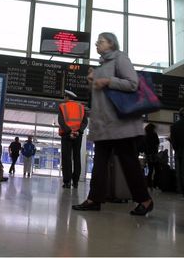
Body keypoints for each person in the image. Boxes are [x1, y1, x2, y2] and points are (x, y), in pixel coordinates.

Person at [72, 32, 153, 216]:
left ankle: (145, 200)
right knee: (99, 161)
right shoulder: (101, 66)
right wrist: (93, 80)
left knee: (128, 161)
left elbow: (133, 83)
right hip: (104, 123)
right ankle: (94, 199)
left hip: (120, 123)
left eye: (100, 42)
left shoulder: (120, 58)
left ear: (111, 43)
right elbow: (100, 95)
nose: (96, 44)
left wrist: (108, 80)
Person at [58, 90, 88, 189]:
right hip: (78, 135)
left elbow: (61, 122)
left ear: (67, 97)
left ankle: (67, 182)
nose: (63, 99)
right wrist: (79, 131)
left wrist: (69, 132)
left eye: (64, 97)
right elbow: (85, 122)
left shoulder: (63, 106)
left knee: (66, 158)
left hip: (67, 135)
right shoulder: (81, 107)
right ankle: (75, 182)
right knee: (76, 157)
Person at [170, 108, 184, 196]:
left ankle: (180, 189)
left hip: (179, 150)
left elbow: (173, 140)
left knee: (179, 171)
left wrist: (176, 149)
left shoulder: (174, 125)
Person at [143, 123, 160, 189]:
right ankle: (155, 183)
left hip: (148, 155)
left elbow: (144, 146)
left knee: (150, 170)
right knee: (157, 169)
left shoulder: (145, 136)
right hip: (154, 154)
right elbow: (157, 143)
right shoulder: (154, 134)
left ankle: (149, 184)